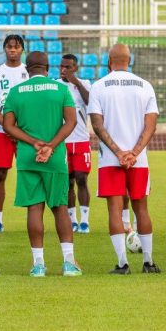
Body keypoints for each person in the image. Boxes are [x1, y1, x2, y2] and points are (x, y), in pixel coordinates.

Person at [1, 51, 82, 277]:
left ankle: (38, 265)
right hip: (54, 156)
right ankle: (68, 263)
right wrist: (51, 146)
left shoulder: (16, 91)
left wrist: (33, 142)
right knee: (60, 207)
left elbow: (8, 126)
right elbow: (71, 121)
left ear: (27, 68)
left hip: (28, 155)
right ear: (47, 67)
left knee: (34, 209)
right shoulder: (60, 89)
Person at [88, 43, 161, 274]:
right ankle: (148, 262)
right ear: (129, 60)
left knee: (115, 210)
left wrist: (118, 152)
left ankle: (122, 264)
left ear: (109, 61)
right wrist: (134, 153)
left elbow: (97, 125)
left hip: (111, 159)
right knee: (142, 209)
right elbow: (151, 126)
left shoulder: (99, 87)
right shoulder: (145, 85)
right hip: (138, 160)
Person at [0, 34, 29, 233]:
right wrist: (8, 126)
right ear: (4, 49)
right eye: (9, 47)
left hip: (26, 133)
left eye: (17, 46)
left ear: (22, 49)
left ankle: (33, 216)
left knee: (29, 173)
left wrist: (19, 129)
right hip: (1, 131)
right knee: (0, 174)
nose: (13, 50)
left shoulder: (28, 73)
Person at [58, 54, 93, 234]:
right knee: (68, 181)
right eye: (62, 67)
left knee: (82, 178)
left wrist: (76, 83)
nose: (64, 70)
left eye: (68, 67)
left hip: (80, 140)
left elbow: (91, 102)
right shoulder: (55, 86)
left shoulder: (85, 84)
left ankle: (85, 221)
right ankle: (72, 219)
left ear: (75, 68)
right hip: (63, 141)